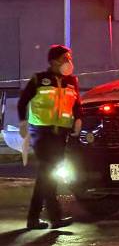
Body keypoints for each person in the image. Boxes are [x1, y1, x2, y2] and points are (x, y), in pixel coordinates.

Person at [18, 45, 81, 230]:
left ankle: (33, 219)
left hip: (61, 135)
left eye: (70, 58)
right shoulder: (39, 79)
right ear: (53, 61)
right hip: (42, 134)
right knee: (48, 174)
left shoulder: (72, 81)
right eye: (65, 59)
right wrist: (23, 123)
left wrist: (78, 119)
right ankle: (55, 217)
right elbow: (23, 102)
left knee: (45, 177)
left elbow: (77, 104)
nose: (69, 63)